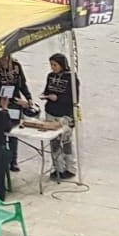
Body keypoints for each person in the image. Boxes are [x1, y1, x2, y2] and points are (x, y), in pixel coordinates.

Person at [42, 53, 77, 181]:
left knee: (66, 141)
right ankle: (58, 167)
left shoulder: (71, 78)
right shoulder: (50, 76)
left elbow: (74, 98)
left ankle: (70, 168)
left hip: (65, 114)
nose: (53, 67)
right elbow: (47, 91)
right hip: (51, 112)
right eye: (51, 65)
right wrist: (46, 96)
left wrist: (58, 98)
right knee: (54, 142)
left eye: (55, 65)